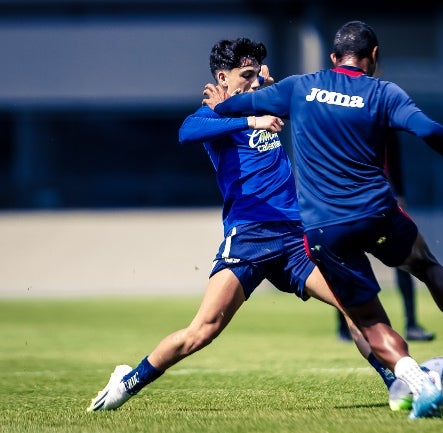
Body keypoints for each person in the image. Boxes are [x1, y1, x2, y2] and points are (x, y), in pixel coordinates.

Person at [211, 21, 443, 418]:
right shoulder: (384, 92)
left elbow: (230, 108)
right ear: (375, 57)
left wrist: (230, 100)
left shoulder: (298, 87)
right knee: (425, 265)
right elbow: (429, 130)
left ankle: (420, 388)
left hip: (324, 230)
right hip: (377, 211)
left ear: (333, 58)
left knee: (368, 319)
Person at [86, 37, 397, 413]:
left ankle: (397, 383)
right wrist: (251, 118)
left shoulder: (263, 97)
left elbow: (310, 103)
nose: (252, 82)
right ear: (223, 76)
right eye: (245, 75)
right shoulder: (217, 114)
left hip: (293, 237)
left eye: (255, 74)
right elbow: (186, 131)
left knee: (354, 306)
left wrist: (268, 86)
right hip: (249, 237)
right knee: (202, 332)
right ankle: (127, 382)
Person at [337, 132, 435, 343]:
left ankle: (412, 323)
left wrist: (399, 195)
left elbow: (394, 157)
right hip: (348, 200)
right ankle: (346, 327)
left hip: (382, 198)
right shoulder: (340, 116)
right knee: (346, 259)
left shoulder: (381, 116)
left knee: (405, 255)